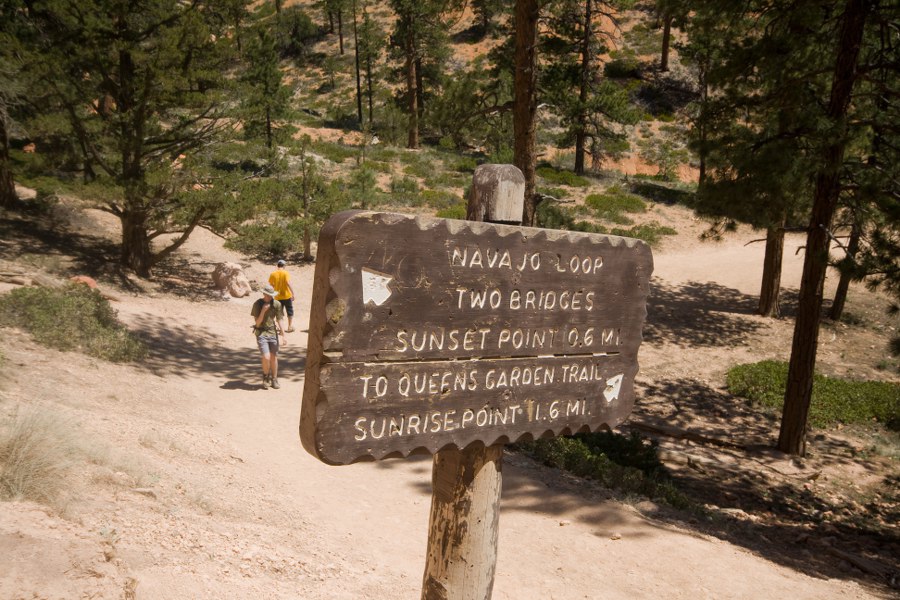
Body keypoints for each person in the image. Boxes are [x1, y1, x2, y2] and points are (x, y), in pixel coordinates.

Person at [251, 284, 286, 389]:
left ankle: (274, 379)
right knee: (266, 357)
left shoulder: (277, 304)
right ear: (264, 294)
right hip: (261, 333)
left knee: (273, 357)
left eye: (271, 295)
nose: (270, 297)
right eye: (267, 295)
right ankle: (266, 377)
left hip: (272, 333)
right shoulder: (257, 304)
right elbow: (257, 323)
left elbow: (279, 319)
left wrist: (283, 334)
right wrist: (263, 310)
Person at [268, 259, 297, 333]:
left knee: (279, 313)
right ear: (284, 266)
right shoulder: (286, 273)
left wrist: (270, 295)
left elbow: (271, 286)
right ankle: (289, 327)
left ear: (277, 265)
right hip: (287, 296)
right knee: (289, 311)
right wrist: (293, 293)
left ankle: (281, 329)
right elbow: (288, 283)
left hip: (277, 297)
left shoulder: (273, 274)